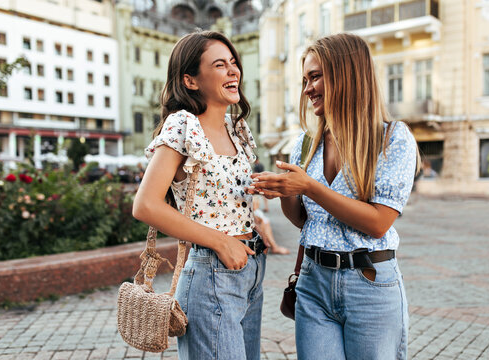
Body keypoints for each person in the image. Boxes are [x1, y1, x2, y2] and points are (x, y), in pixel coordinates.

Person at [248, 33, 419, 360]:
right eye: (304, 80)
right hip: (312, 283)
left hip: (369, 284)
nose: (307, 88)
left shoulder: (392, 139)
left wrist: (310, 187)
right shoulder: (305, 143)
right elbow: (302, 219)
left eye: (315, 77)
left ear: (346, 74)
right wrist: (285, 190)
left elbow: (379, 223)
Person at [133, 31, 267, 360]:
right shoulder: (183, 125)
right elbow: (146, 205)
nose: (233, 70)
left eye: (234, 63)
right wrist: (221, 241)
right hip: (211, 272)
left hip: (251, 268)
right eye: (220, 64)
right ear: (190, 80)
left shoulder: (238, 129)